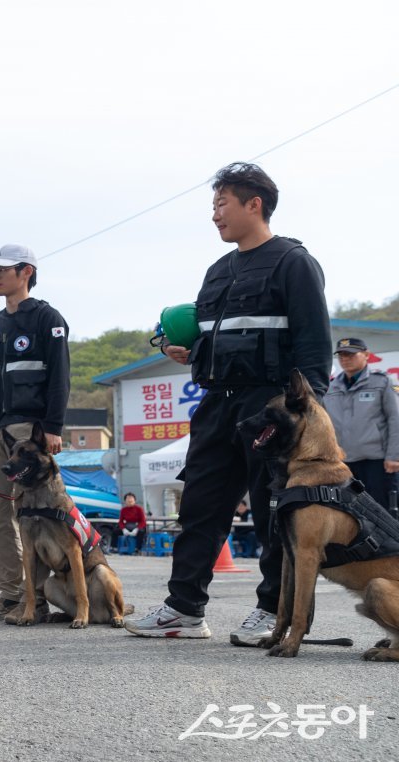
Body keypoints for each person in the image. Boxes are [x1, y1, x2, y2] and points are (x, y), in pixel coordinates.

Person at [126, 162, 331, 643]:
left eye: (222, 204)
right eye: (214, 206)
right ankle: (184, 609)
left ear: (253, 204)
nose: (215, 215)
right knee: (200, 504)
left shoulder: (292, 261)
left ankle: (274, 611)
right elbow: (216, 341)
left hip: (272, 403)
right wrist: (191, 353)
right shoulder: (219, 270)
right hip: (218, 402)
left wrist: (305, 415)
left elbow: (314, 346)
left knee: (271, 509)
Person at [0, 244, 71, 621]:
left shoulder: (47, 318)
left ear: (26, 272)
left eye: (3, 270)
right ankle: (12, 594)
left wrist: (54, 427)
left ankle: (40, 598)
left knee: (37, 513)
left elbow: (60, 376)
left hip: (30, 431)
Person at [324, 337, 399, 507]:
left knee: (382, 512)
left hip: (377, 463)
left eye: (351, 354)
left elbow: (395, 420)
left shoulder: (382, 382)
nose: (345, 359)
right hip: (342, 463)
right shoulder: (331, 388)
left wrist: (394, 456)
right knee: (348, 512)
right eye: (341, 355)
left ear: (366, 355)